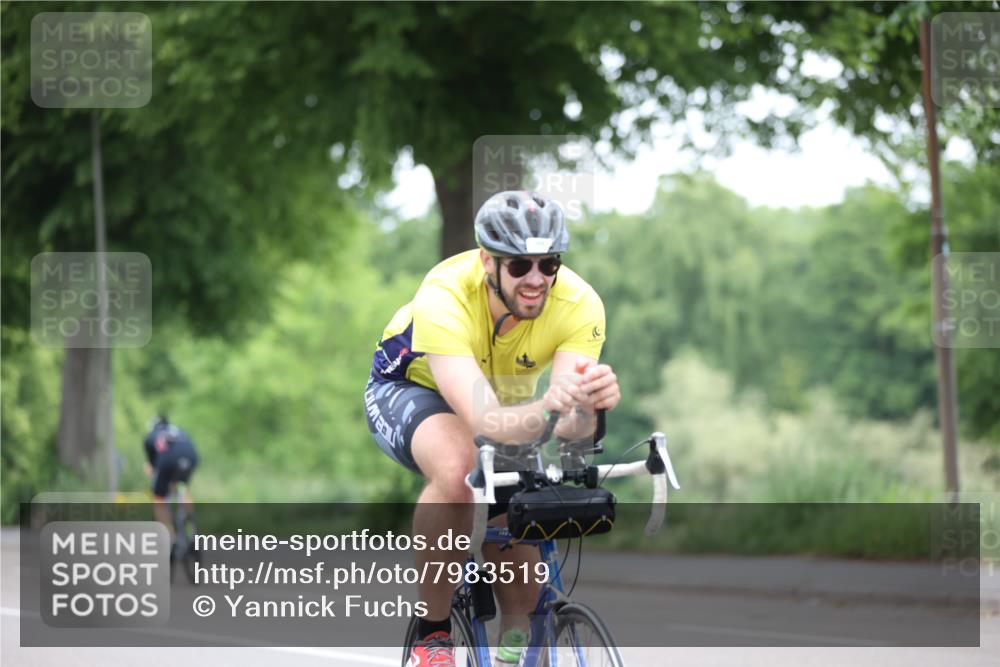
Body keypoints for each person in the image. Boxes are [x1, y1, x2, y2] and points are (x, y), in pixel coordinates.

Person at [365, 191, 621, 667]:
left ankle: (509, 655)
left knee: (522, 583)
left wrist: (590, 408)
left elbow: (567, 428)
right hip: (413, 388)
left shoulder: (580, 304)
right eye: (520, 265)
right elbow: (484, 422)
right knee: (458, 470)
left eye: (549, 264)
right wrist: (548, 408)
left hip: (505, 402)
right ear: (488, 261)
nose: (536, 279)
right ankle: (433, 634)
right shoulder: (443, 294)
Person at [143, 414, 199, 553]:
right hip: (191, 456)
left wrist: (153, 472)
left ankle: (169, 537)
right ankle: (191, 527)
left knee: (159, 497)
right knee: (181, 487)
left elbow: (153, 465)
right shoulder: (179, 431)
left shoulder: (151, 436)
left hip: (168, 460)